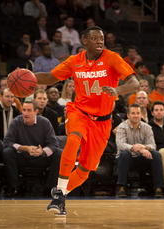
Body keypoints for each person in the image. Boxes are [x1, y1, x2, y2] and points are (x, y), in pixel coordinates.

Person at [31, 25, 139, 216]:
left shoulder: (112, 58)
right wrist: (27, 77)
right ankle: (59, 192)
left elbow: (134, 83)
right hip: (79, 111)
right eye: (95, 38)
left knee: (86, 169)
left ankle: (61, 195)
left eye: (102, 39)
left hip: (103, 121)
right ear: (84, 40)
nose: (100, 41)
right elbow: (49, 78)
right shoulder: (74, 61)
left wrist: (117, 90)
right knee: (73, 139)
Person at [2, 101, 62, 197]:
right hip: (22, 158)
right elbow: (7, 142)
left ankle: (50, 188)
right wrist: (25, 148)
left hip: (40, 158)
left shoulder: (45, 122)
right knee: (7, 152)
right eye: (24, 110)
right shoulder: (16, 122)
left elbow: (54, 144)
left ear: (36, 112)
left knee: (59, 153)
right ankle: (14, 187)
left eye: (29, 110)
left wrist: (42, 151)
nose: (25, 113)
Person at [115, 103, 164, 198]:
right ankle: (121, 187)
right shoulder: (122, 127)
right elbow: (121, 144)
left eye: (138, 113)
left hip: (143, 158)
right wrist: (135, 148)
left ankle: (159, 188)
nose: (136, 115)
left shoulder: (147, 127)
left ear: (141, 114)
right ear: (128, 115)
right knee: (125, 154)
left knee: (156, 154)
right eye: (133, 113)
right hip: (127, 159)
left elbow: (152, 145)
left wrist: (143, 147)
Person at [0, 88, 20, 163]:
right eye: (7, 96)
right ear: (1, 97)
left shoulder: (16, 111)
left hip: (12, 145)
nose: (10, 99)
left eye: (12, 97)